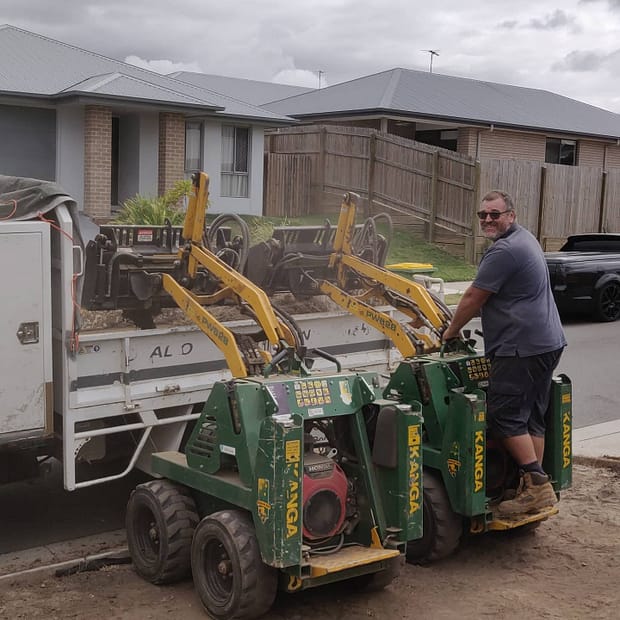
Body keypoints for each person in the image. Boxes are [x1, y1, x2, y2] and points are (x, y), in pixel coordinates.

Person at [442, 190, 566, 515]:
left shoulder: (505, 251)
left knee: (502, 414)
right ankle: (530, 486)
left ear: (510, 215)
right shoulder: (526, 239)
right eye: (482, 215)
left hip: (519, 347)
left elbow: (472, 297)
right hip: (547, 343)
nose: (487, 220)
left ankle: (536, 485)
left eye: (494, 214)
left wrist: (450, 332)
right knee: (530, 416)